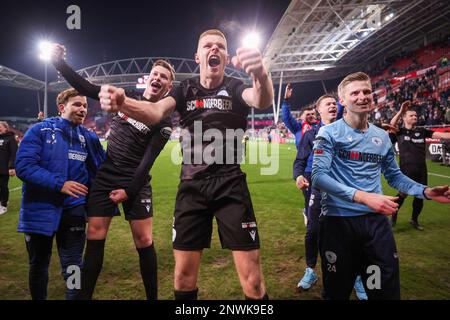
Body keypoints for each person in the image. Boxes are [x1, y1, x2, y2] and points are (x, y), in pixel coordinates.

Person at [98, 29, 274, 300]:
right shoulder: (185, 89)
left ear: (226, 57)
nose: (213, 50)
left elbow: (261, 99)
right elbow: (155, 111)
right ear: (197, 56)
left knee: (252, 281)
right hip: (192, 188)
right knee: (182, 279)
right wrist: (124, 103)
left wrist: (260, 73)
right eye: (207, 46)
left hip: (231, 185)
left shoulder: (237, 86)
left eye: (220, 46)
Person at [49, 43, 174, 300]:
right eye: (155, 74)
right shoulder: (124, 98)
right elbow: (88, 88)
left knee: (144, 241)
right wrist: (59, 64)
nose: (157, 78)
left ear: (168, 87)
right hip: (106, 177)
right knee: (94, 237)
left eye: (164, 77)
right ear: (148, 78)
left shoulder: (163, 122)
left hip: (135, 181)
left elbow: (147, 161)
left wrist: (129, 191)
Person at [311, 71, 450, 300]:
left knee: (382, 291)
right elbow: (318, 176)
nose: (362, 96)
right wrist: (363, 197)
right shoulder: (329, 132)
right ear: (343, 100)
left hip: (375, 226)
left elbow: (395, 177)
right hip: (338, 224)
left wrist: (425, 191)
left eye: (367, 91)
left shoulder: (382, 137)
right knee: (337, 293)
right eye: (354, 93)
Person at [16, 88, 105, 300]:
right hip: (39, 209)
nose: (82, 109)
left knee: (74, 267)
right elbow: (24, 166)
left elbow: (103, 170)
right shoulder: (39, 131)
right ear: (62, 107)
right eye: (77, 104)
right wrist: (60, 184)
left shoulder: (89, 137)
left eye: (84, 105)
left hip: (74, 211)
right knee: (38, 266)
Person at [292, 94, 367, 299]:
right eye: (328, 104)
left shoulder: (350, 130)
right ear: (319, 111)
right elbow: (299, 161)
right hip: (319, 189)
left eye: (335, 103)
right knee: (313, 231)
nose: (333, 106)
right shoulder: (310, 135)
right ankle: (310, 270)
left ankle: (357, 276)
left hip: (346, 189)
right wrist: (299, 176)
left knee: (351, 233)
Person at [389, 101, 450, 230]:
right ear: (404, 118)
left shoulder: (423, 131)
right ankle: (393, 215)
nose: (415, 117)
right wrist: (400, 111)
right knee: (402, 195)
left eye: (416, 115)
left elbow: (443, 135)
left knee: (421, 196)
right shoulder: (399, 132)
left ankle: (414, 220)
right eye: (411, 115)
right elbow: (391, 126)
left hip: (422, 170)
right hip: (406, 170)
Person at [281, 83, 317, 148]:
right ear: (301, 117)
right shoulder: (298, 128)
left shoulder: (321, 126)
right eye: (308, 114)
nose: (311, 116)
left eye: (312, 114)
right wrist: (286, 100)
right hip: (305, 158)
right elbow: (286, 118)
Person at [0, 121, 18, 215]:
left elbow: (13, 153)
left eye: (0, 126)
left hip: (5, 168)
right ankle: (1, 202)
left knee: (3, 186)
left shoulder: (10, 138)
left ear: (5, 128)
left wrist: (12, 167)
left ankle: (4, 206)